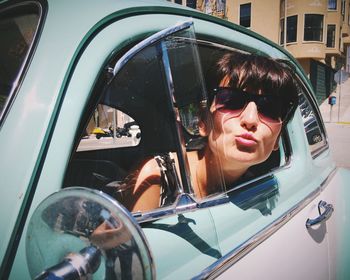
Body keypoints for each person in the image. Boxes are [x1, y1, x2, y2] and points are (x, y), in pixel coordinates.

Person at [122, 51, 299, 212]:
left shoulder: (262, 181)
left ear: (278, 137)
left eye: (269, 108)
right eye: (232, 100)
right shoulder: (157, 177)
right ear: (203, 121)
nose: (250, 120)